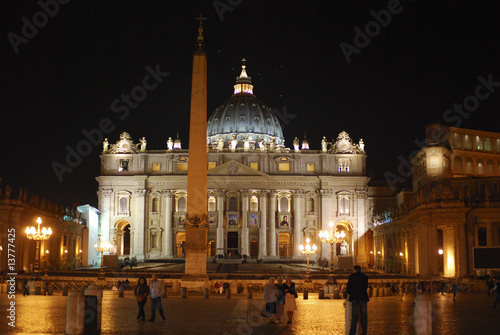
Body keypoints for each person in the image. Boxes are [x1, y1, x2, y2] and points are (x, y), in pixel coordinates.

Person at [346, 265, 369, 335]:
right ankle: (364, 332)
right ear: (360, 269)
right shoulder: (365, 277)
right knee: (364, 316)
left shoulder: (352, 277)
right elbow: (366, 286)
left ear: (354, 270)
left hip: (355, 298)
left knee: (355, 316)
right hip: (363, 298)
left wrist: (351, 294)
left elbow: (348, 288)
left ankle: (352, 332)